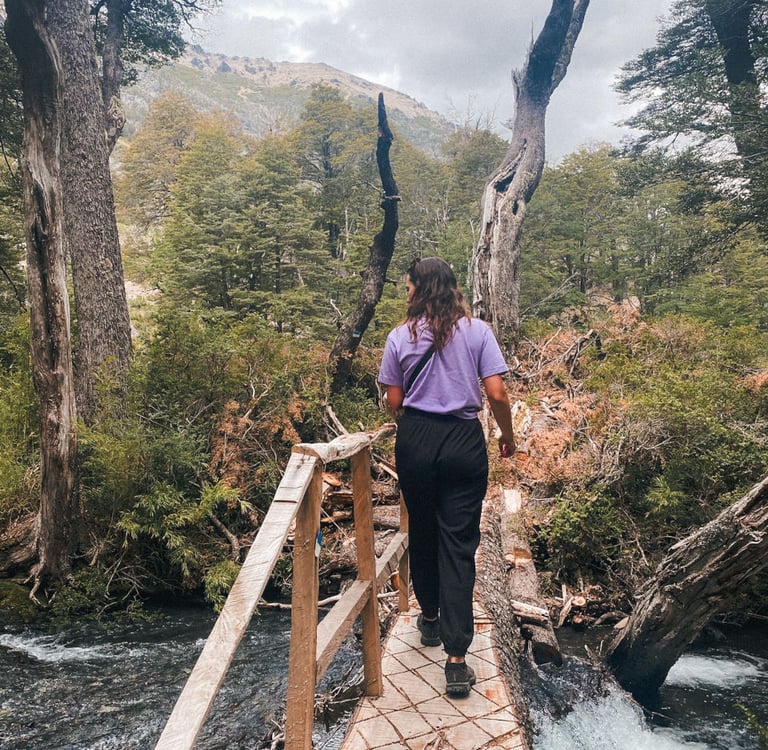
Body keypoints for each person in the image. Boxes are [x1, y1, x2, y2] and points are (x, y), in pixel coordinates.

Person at [378, 257, 516, 698]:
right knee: (458, 543)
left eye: (408, 287)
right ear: (452, 288)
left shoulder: (400, 336)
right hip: (463, 440)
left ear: (418, 289)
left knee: (422, 528)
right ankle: (457, 660)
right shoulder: (477, 331)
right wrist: (507, 436)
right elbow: (496, 392)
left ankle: (431, 618)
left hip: (416, 439)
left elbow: (394, 400)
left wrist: (398, 404)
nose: (405, 293)